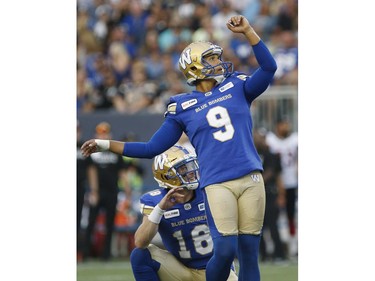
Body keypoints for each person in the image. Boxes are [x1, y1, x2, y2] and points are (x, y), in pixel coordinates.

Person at [82, 15, 277, 281]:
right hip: (217, 182)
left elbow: (268, 68)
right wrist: (105, 144)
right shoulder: (182, 106)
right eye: (210, 58)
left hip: (251, 176)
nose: (218, 62)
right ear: (195, 66)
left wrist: (250, 32)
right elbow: (152, 147)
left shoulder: (237, 85)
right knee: (225, 250)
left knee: (248, 253)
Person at [130, 145, 238, 280]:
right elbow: (140, 242)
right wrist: (160, 209)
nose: (191, 171)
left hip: (216, 270)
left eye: (191, 165)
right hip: (181, 270)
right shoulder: (155, 200)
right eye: (183, 168)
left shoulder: (209, 190)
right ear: (167, 175)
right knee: (140, 255)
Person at [82, 121, 131, 261]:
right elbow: (91, 171)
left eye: (105, 132)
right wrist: (94, 191)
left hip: (112, 191)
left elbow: (122, 172)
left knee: (110, 224)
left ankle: (106, 254)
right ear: (96, 134)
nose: (103, 135)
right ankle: (86, 253)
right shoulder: (91, 151)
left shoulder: (114, 150)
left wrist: (127, 190)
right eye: (100, 132)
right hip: (97, 191)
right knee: (91, 222)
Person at [265, 115, 298, 257]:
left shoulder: (295, 138)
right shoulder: (270, 140)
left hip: (291, 181)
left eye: (287, 124)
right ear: (277, 125)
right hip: (275, 185)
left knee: (291, 216)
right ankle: (273, 246)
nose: (286, 126)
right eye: (284, 124)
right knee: (272, 218)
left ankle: (293, 246)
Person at [253, 128, 287, 263]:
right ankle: (263, 255)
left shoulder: (272, 155)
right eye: (257, 136)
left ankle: (279, 254)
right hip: (254, 194)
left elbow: (276, 175)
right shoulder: (250, 153)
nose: (259, 139)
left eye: (261, 137)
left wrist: (281, 195)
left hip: (270, 193)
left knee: (273, 226)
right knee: (257, 227)